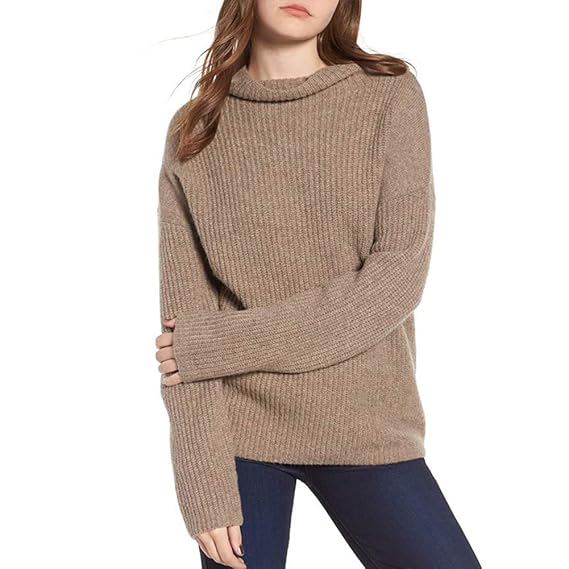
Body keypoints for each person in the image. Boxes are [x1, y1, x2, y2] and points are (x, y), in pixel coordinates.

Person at [154, 1, 482, 567]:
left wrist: (221, 343)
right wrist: (201, 482)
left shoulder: (388, 95)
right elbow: (182, 331)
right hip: (238, 436)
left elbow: (396, 279)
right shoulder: (195, 129)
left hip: (365, 420)